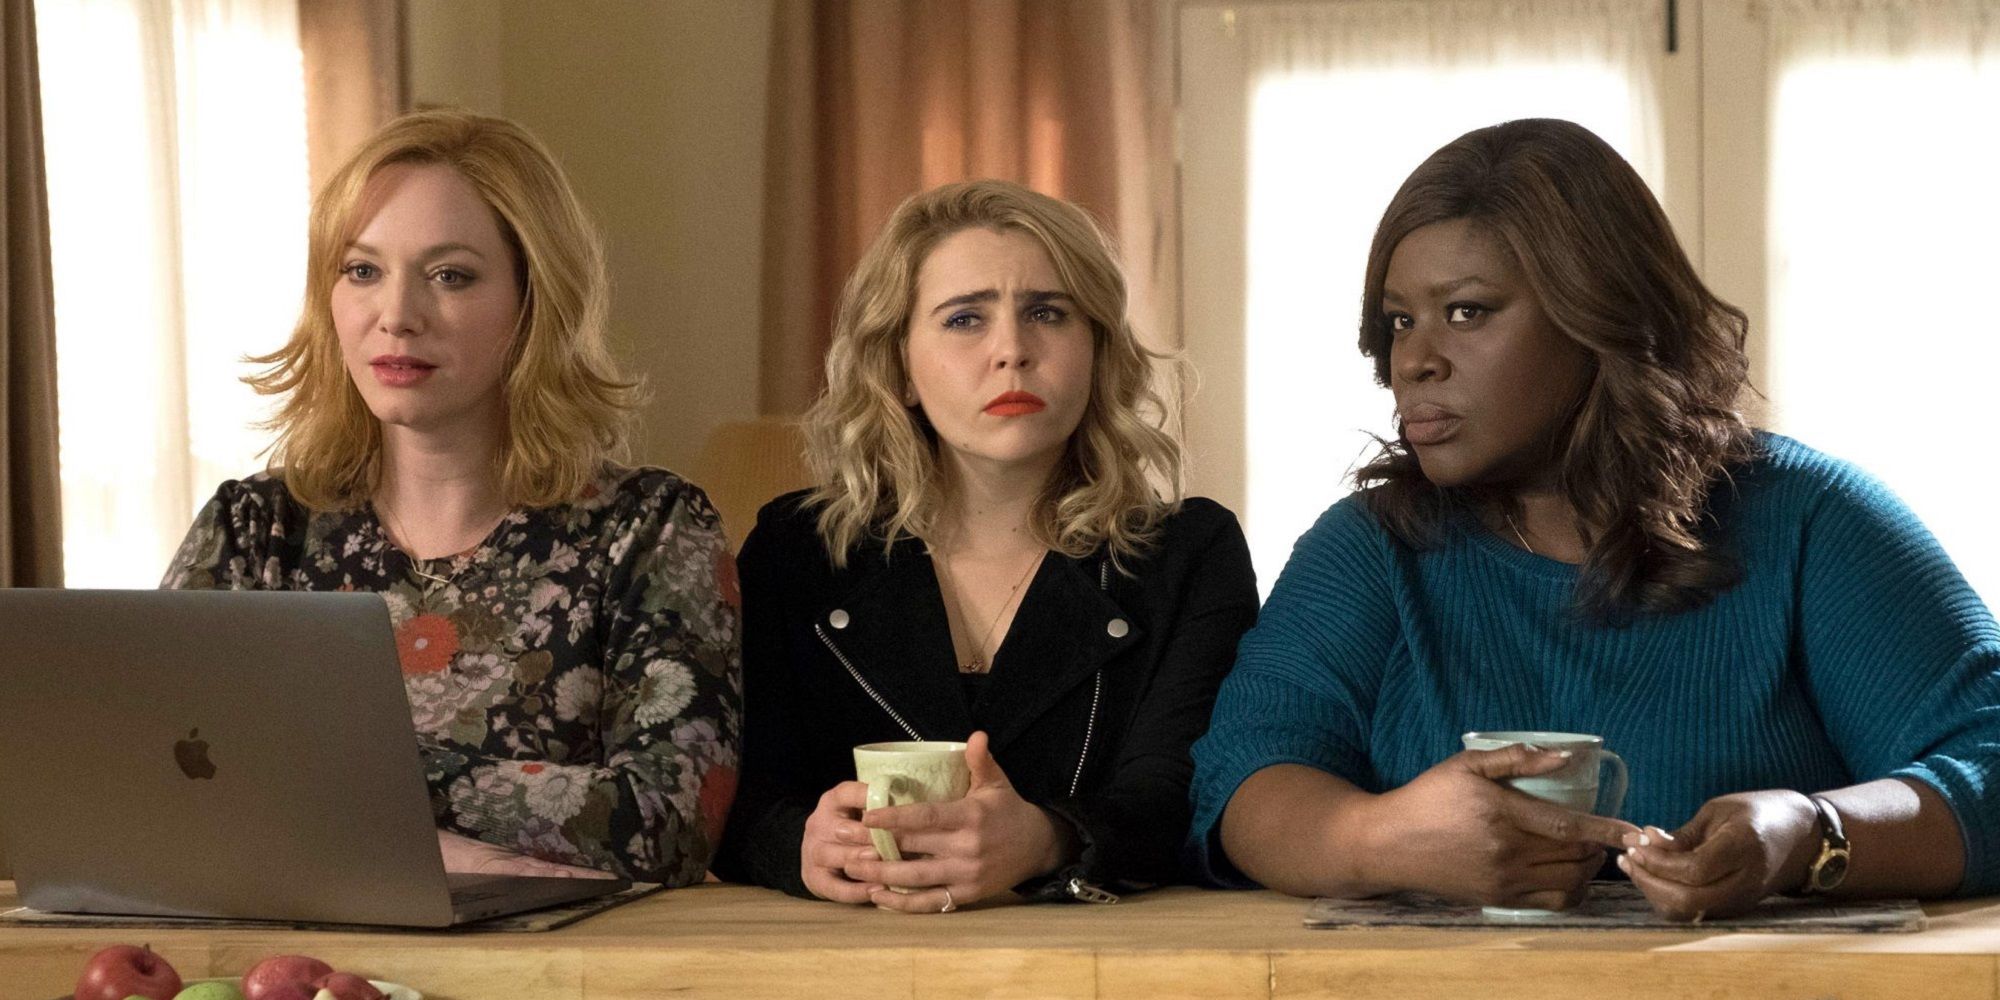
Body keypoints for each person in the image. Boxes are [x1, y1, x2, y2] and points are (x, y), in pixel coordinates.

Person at [1191, 118, 2000, 919]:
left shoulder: (1812, 521)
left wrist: (1808, 832)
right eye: (1401, 319)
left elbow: (1986, 762)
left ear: (1602, 314)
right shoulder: (1370, 548)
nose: (1413, 359)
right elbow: (1241, 784)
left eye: (1467, 312)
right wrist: (1375, 837)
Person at [162, 108, 742, 886]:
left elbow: (668, 824)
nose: (396, 316)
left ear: (532, 302)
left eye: (450, 275)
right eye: (362, 270)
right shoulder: (254, 529)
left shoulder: (652, 530)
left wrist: (332, 789)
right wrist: (447, 852)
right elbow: (158, 785)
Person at [711, 180, 1257, 913]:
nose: (1012, 351)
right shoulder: (799, 550)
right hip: (846, 968)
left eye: (1047, 313)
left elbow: (1185, 799)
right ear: (900, 365)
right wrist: (798, 846)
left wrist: (1047, 841)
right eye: (965, 318)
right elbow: (736, 795)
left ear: (1096, 346)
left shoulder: (1187, 553)